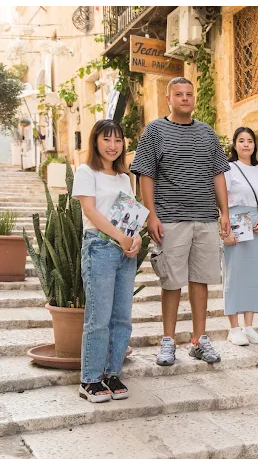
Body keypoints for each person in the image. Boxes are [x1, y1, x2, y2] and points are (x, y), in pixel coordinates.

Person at [130, 76, 231, 367]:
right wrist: (151, 214)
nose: (185, 98)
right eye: (179, 94)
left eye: (189, 94)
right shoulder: (155, 131)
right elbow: (145, 174)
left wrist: (224, 212)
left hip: (205, 218)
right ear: (168, 99)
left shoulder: (207, 133)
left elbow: (218, 175)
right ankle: (168, 341)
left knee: (200, 280)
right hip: (170, 219)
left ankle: (199, 340)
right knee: (171, 281)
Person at [73, 119, 143, 403]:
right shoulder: (86, 171)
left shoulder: (125, 177)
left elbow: (130, 213)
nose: (113, 146)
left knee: (122, 317)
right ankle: (89, 379)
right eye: (106, 139)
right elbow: (90, 211)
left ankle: (112, 374)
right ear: (96, 141)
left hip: (125, 251)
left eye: (118, 140)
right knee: (98, 318)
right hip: (99, 247)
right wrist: (121, 237)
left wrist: (136, 239)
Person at [222, 127, 258, 346]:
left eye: (250, 141)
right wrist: (225, 229)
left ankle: (249, 327)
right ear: (235, 144)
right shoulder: (228, 168)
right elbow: (220, 199)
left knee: (254, 275)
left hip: (255, 225)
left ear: (254, 145)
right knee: (234, 275)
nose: (246, 144)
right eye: (241, 140)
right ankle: (233, 328)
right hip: (234, 222)